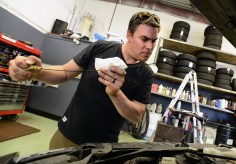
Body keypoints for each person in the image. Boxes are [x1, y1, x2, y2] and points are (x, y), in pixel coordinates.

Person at [8, 11, 161, 149]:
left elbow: (137, 116)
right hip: (68, 135)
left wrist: (115, 94)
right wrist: (36, 72)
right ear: (129, 35)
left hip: (103, 146)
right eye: (145, 39)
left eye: (153, 41)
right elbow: (64, 72)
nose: (150, 46)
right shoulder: (100, 47)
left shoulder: (146, 74)